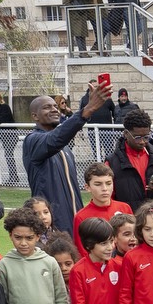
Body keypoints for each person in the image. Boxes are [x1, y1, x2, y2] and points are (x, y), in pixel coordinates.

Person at [24, 80, 114, 235]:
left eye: (55, 106)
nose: (54, 110)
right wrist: (88, 109)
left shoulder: (64, 147)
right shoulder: (33, 140)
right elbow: (55, 139)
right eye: (47, 107)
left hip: (75, 221)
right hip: (54, 227)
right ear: (35, 116)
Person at [103, 108, 153, 210]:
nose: (142, 142)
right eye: (137, 137)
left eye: (146, 137)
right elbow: (107, 199)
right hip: (126, 222)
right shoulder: (111, 163)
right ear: (126, 134)